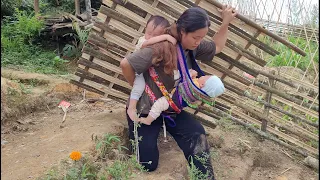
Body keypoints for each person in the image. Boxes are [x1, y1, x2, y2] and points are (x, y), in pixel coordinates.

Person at [120, 5, 237, 180]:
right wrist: (140, 88)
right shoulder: (162, 47)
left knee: (197, 133)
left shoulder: (191, 46)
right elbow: (126, 64)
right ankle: (146, 135)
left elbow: (217, 46)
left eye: (201, 38)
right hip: (145, 109)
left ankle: (204, 178)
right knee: (148, 164)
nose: (198, 42)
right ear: (182, 31)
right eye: (195, 37)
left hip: (170, 109)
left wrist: (225, 23)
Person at [127, 15, 177, 122]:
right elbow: (146, 44)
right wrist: (166, 37)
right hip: (138, 70)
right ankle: (131, 108)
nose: (150, 37)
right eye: (149, 33)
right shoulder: (143, 40)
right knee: (139, 86)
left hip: (148, 73)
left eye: (155, 35)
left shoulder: (161, 47)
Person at [139, 69, 225, 125]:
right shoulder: (199, 93)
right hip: (176, 102)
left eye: (206, 77)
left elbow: (187, 78)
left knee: (158, 105)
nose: (203, 75)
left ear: (202, 85)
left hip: (172, 101)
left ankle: (148, 120)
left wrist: (191, 74)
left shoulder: (195, 86)